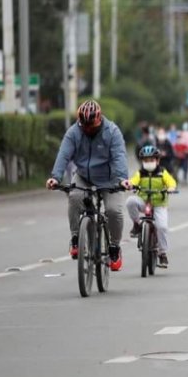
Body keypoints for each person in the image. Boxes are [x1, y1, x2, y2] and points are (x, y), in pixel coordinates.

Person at [46, 100, 131, 271]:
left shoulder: (112, 132)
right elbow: (64, 154)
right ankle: (76, 238)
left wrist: (123, 178)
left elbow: (119, 156)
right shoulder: (74, 132)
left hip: (110, 178)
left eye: (90, 125)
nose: (87, 129)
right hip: (84, 176)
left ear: (99, 119)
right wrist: (55, 177)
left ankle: (114, 247)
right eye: (83, 125)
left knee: (114, 210)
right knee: (75, 196)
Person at [126, 145, 177, 268]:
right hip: (144, 201)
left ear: (157, 160)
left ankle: (162, 253)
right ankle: (137, 224)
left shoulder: (162, 172)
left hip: (159, 203)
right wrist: (130, 184)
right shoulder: (140, 173)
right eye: (146, 161)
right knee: (130, 201)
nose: (149, 163)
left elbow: (171, 182)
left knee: (162, 227)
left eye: (151, 160)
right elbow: (133, 181)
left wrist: (170, 188)